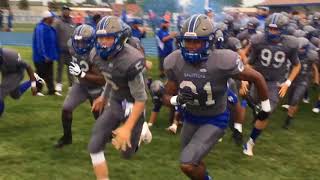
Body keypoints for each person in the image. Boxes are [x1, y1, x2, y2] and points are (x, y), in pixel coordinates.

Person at [162, 14, 270, 179]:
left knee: (187, 164)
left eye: (196, 41)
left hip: (214, 118)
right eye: (188, 41)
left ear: (209, 42)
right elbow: (166, 95)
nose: (191, 46)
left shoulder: (223, 60)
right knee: (193, 162)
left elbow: (257, 77)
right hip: (190, 117)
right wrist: (177, 100)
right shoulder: (174, 61)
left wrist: (266, 107)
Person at [88, 16, 147, 180]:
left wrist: (127, 127)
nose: (103, 42)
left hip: (133, 103)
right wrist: (104, 96)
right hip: (116, 100)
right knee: (95, 144)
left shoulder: (130, 60)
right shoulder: (96, 54)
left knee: (127, 153)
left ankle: (141, 130)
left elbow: (141, 99)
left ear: (120, 39)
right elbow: (110, 76)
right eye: (100, 37)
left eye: (108, 37)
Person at [242, 13, 301, 156]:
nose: (272, 32)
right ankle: (256, 113)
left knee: (266, 112)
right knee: (255, 105)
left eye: (276, 29)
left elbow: (297, 65)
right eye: (270, 28)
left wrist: (288, 82)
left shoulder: (290, 43)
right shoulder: (258, 40)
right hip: (258, 79)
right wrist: (245, 79)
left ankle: (250, 143)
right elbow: (249, 63)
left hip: (275, 83)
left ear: (284, 29)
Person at [54, 24, 105, 148]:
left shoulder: (98, 52)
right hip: (81, 85)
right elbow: (70, 57)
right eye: (78, 41)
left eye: (84, 42)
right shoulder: (71, 45)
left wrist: (81, 73)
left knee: (98, 114)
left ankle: (106, 134)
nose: (80, 45)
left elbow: (102, 80)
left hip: (96, 87)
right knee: (66, 108)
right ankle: (67, 138)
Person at [282, 37, 319, 129]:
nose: (300, 50)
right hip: (293, 79)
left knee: (295, 99)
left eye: (302, 48)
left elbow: (315, 68)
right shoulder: (292, 52)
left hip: (303, 80)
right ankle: (290, 111)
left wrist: (316, 80)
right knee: (291, 100)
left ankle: (288, 119)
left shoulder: (311, 55)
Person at [0, 47, 42, 117]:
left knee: (1, 92)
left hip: (16, 72)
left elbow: (28, 66)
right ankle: (35, 80)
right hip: (6, 71)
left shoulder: (11, 57)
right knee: (15, 95)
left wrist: (33, 85)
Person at [32, 10, 59, 96]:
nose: (54, 19)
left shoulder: (50, 27)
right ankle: (37, 91)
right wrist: (44, 55)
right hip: (41, 57)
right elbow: (40, 43)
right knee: (41, 74)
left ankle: (51, 91)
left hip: (49, 56)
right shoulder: (40, 28)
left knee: (49, 74)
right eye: (52, 18)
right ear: (47, 18)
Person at [53, 5, 76, 96]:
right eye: (65, 10)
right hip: (61, 50)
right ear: (62, 11)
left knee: (71, 69)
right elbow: (53, 35)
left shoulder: (72, 22)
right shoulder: (57, 22)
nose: (67, 12)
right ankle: (58, 86)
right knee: (60, 68)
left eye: (68, 10)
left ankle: (71, 86)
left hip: (70, 50)